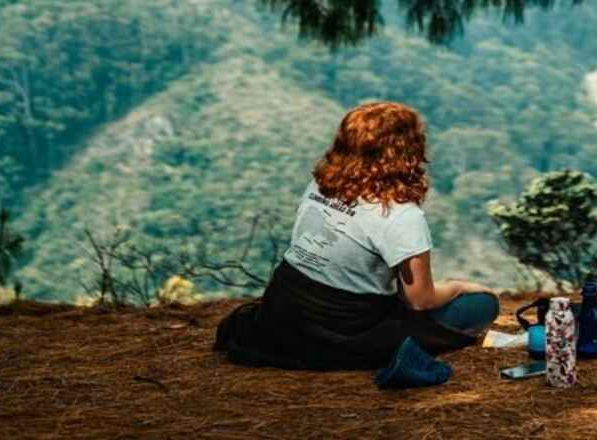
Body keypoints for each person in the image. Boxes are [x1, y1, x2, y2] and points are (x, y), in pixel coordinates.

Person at [213, 101, 499, 370]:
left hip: (284, 308)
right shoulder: (400, 214)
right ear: (409, 151)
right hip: (345, 326)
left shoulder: (321, 185)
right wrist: (459, 286)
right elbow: (419, 300)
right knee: (481, 305)